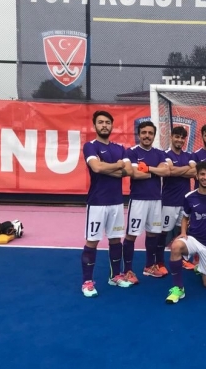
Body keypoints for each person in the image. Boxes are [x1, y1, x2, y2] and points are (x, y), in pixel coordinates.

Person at [80, 110, 133, 297]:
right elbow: (96, 167)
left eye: (107, 123)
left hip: (116, 202)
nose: (104, 125)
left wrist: (107, 168)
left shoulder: (120, 148)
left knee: (115, 240)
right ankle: (87, 282)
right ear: (95, 125)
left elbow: (128, 171)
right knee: (92, 241)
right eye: (101, 122)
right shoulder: (90, 146)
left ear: (112, 126)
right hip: (97, 202)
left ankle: (115, 276)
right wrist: (117, 166)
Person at [166, 162, 206, 304]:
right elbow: (185, 217)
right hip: (194, 239)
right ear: (196, 176)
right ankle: (178, 288)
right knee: (176, 246)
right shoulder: (189, 196)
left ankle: (200, 266)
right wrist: (183, 232)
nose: (205, 177)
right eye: (202, 174)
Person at [122, 121, 171, 284]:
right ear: (139, 134)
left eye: (150, 133)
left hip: (156, 200)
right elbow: (135, 173)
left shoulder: (159, 153)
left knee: (153, 233)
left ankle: (149, 266)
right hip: (138, 200)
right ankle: (128, 270)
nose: (147, 136)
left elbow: (166, 171)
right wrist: (156, 172)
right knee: (131, 235)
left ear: (154, 135)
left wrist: (148, 169)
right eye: (144, 132)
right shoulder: (132, 152)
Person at [162, 126, 195, 268]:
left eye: (182, 138)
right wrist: (186, 169)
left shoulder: (189, 156)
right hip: (169, 201)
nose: (180, 140)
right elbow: (169, 171)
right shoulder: (165, 154)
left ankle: (180, 259)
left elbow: (194, 172)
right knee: (164, 233)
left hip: (184, 201)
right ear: (171, 137)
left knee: (181, 232)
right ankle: (159, 261)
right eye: (177, 137)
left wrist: (176, 170)